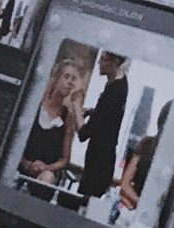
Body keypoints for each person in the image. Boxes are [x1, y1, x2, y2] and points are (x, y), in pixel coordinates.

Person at [18, 57, 86, 184]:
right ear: (56, 79)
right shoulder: (35, 105)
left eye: (73, 79)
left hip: (45, 172)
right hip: (21, 164)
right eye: (66, 77)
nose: (70, 82)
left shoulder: (68, 117)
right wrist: (24, 162)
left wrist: (45, 168)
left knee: (47, 178)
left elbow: (65, 160)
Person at [78, 52, 130, 197]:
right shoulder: (121, 84)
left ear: (115, 61)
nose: (99, 63)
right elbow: (108, 115)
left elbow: (84, 133)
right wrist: (93, 112)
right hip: (103, 157)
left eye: (103, 59)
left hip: (98, 162)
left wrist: (75, 108)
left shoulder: (113, 92)